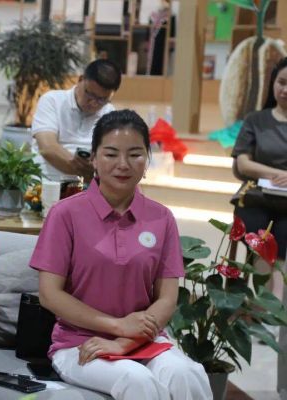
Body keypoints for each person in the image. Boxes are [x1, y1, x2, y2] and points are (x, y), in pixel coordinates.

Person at [30, 110, 212, 399]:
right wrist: (117, 326)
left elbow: (167, 298)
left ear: (147, 159)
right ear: (94, 158)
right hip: (79, 343)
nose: (123, 164)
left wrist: (126, 340)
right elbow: (49, 295)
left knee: (187, 374)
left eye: (135, 154)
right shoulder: (65, 214)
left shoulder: (161, 217)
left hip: (145, 340)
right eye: (111, 154)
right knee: (136, 380)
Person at [232, 57, 287, 300]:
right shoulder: (255, 120)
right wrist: (277, 175)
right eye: (281, 82)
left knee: (283, 234)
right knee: (260, 236)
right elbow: (243, 163)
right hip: (257, 198)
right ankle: (266, 304)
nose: (285, 90)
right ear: (273, 83)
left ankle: (273, 301)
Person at [31, 59, 121, 183]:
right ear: (81, 80)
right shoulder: (52, 100)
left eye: (102, 99)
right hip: (47, 181)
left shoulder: (109, 113)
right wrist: (86, 171)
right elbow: (47, 148)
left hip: (87, 186)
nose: (94, 103)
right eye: (90, 95)